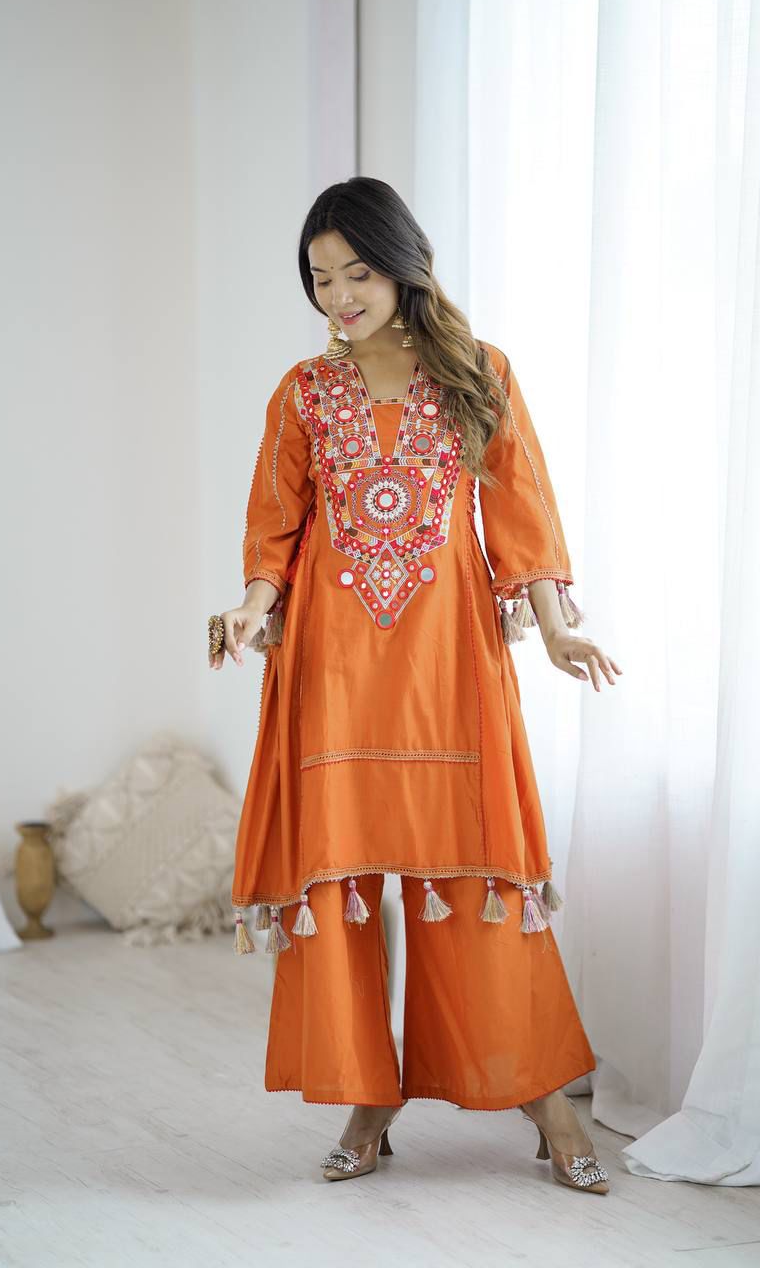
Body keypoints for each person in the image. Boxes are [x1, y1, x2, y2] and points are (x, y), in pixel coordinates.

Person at [208, 177, 622, 1193]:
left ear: (402, 265)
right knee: (342, 881)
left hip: (448, 664)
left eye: (356, 272)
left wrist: (556, 628)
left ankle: (545, 1097)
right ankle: (369, 1097)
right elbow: (275, 526)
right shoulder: (304, 392)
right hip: (333, 666)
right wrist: (251, 606)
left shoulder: (480, 372)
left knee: (476, 872)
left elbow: (520, 512)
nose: (338, 295)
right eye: (320, 278)